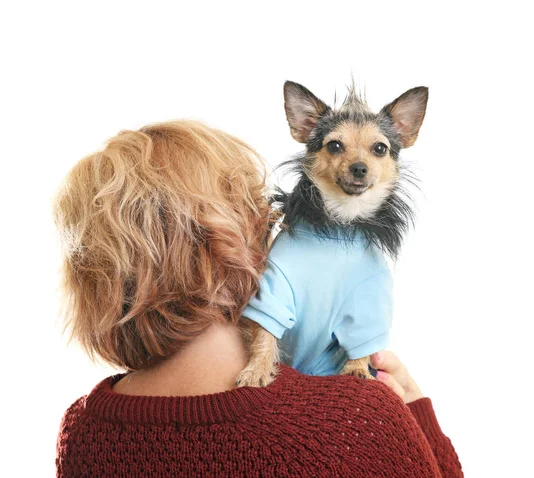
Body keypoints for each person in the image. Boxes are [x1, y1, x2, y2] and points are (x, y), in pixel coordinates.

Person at [54, 120, 463, 477]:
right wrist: (415, 417)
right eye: (260, 208)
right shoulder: (353, 420)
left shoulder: (82, 432)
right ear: (236, 241)